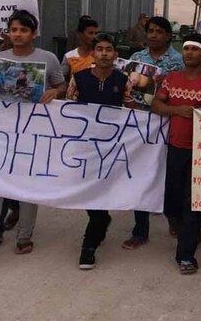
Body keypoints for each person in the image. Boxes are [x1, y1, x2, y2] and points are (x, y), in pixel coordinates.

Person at [0, 9, 65, 266]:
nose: (18, 35)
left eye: (24, 30)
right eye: (14, 30)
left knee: (27, 187)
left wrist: (54, 91)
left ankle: (24, 237)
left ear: (34, 34)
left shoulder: (48, 58)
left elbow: (61, 84)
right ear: (9, 32)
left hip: (32, 133)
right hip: (1, 133)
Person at [151, 33, 201, 274]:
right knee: (172, 202)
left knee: (192, 203)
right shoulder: (172, 79)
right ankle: (185, 230)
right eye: (186, 49)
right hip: (176, 148)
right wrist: (175, 110)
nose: (189, 53)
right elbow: (156, 104)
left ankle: (186, 255)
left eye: (195, 49)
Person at [66, 34, 136, 269]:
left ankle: (89, 246)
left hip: (111, 146)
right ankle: (102, 219)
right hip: (84, 146)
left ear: (116, 55)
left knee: (100, 192)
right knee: (88, 192)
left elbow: (130, 107)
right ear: (93, 54)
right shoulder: (79, 78)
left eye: (109, 49)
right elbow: (67, 108)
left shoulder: (123, 79)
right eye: (100, 49)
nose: (104, 53)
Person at [125, 16, 183, 249]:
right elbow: (126, 85)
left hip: (168, 122)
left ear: (168, 35)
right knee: (140, 175)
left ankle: (173, 217)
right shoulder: (136, 58)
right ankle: (140, 230)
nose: (153, 35)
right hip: (139, 123)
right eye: (150, 31)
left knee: (169, 175)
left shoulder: (179, 61)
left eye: (159, 31)